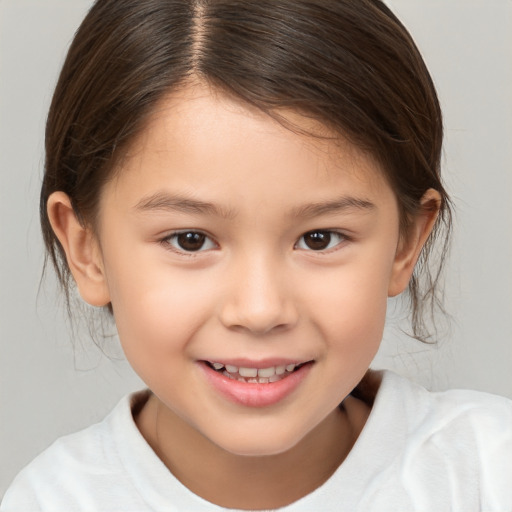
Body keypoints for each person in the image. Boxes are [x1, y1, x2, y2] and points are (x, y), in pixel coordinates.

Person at [2, 0, 511, 510]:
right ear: (86, 249)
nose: (260, 310)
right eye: (190, 240)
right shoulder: (51, 501)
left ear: (405, 243)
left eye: (320, 238)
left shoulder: (489, 473)